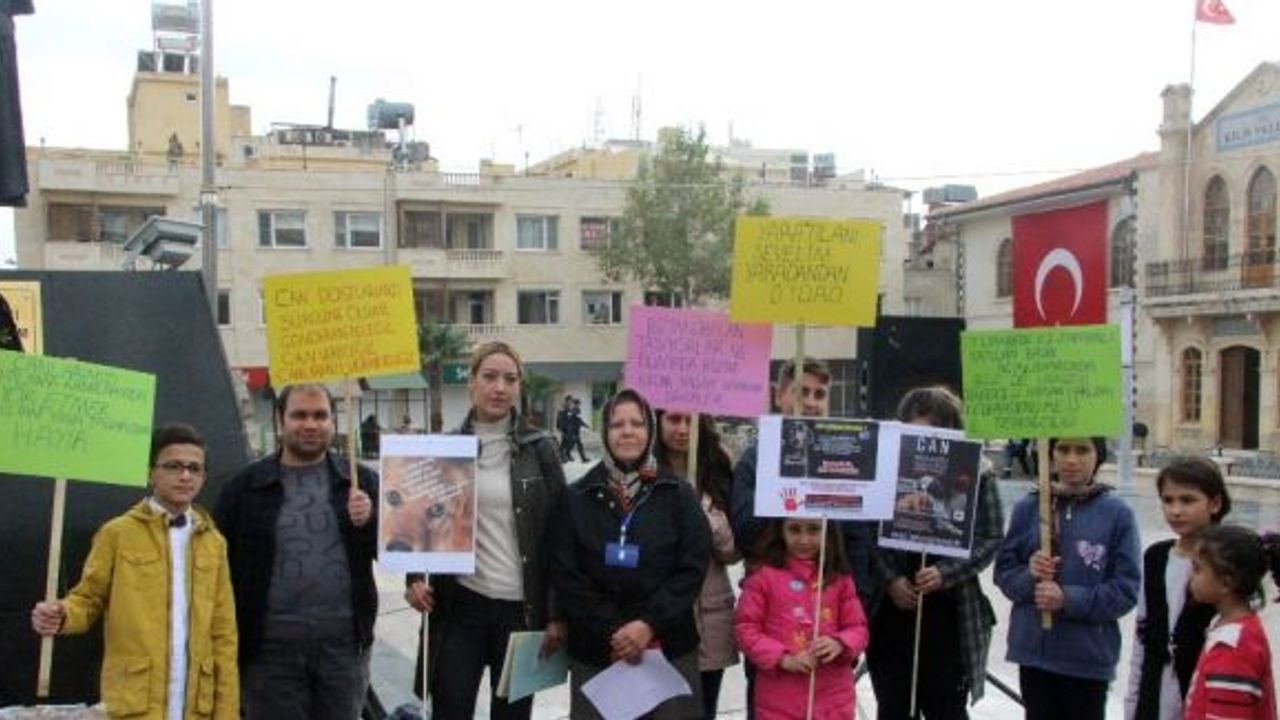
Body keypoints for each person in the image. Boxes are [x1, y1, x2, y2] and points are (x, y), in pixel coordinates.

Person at [403, 341, 567, 719]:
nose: (500, 387)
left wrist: (557, 613)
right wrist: (413, 579)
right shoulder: (444, 450)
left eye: (510, 379)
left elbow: (561, 537)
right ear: (472, 382)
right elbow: (419, 524)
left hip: (523, 613)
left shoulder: (540, 449)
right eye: (490, 377)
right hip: (460, 606)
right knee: (451, 709)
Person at [31, 424, 237, 720]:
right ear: (151, 472)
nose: (185, 476)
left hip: (196, 707)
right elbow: (88, 599)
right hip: (134, 704)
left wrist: (227, 712)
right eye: (173, 466)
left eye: (195, 468)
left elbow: (223, 634)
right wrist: (60, 614)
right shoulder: (117, 533)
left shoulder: (214, 543)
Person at [214, 384, 378, 720]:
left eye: (320, 415)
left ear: (333, 421)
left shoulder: (361, 483)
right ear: (280, 419)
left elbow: (399, 549)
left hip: (343, 651)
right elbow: (214, 567)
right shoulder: (243, 489)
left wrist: (372, 519)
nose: (310, 424)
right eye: (299, 415)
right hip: (268, 654)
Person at [549, 388, 711, 719]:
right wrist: (614, 630)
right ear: (605, 432)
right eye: (617, 424)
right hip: (598, 655)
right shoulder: (577, 496)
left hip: (666, 652)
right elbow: (566, 572)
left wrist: (648, 624)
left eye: (637, 423)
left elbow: (692, 567)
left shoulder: (678, 494)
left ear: (650, 431)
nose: (627, 431)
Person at [867, 387, 1004, 719]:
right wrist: (890, 580)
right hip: (893, 611)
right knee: (895, 705)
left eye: (934, 432)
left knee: (947, 708)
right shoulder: (883, 469)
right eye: (915, 432)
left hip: (950, 611)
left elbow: (990, 536)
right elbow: (866, 531)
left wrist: (946, 573)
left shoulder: (979, 473)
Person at [994, 437, 1142, 720]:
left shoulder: (1117, 515)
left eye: (1082, 450)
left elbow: (1125, 589)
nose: (1072, 460)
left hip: (1087, 657)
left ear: (1098, 455)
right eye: (1063, 450)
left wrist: (1068, 599)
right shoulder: (1029, 507)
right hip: (1035, 654)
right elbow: (1004, 572)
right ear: (1049, 454)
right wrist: (1030, 575)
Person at [1125, 457, 1232, 720]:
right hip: (1154, 692)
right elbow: (1144, 632)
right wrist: (1133, 700)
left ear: (1215, 503)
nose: (1175, 510)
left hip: (1203, 692)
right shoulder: (1156, 557)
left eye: (1187, 500)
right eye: (1168, 500)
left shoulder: (1228, 560)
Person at [733, 517, 869, 720]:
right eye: (794, 530)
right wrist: (782, 658)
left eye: (813, 530)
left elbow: (858, 628)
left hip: (833, 698)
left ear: (827, 532)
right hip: (779, 698)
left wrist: (839, 643)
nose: (804, 539)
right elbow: (745, 628)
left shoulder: (839, 578)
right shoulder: (762, 576)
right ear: (781, 531)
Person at [655, 409, 741, 720]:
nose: (682, 429)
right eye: (673, 420)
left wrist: (704, 512)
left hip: (710, 614)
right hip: (660, 618)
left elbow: (732, 552)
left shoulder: (719, 469)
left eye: (689, 420)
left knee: (703, 709)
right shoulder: (644, 471)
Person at [1182, 525, 1279, 720]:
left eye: (1197, 569)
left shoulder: (1231, 649)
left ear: (1227, 583)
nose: (1190, 577)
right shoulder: (1232, 628)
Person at [562, 398, 590, 463]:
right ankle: (567, 455)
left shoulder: (574, 410)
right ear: (576, 404)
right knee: (574, 445)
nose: (580, 405)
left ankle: (582, 458)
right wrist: (585, 425)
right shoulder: (575, 410)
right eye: (579, 403)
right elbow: (577, 420)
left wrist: (585, 425)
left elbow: (578, 420)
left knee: (576, 445)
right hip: (573, 431)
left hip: (574, 431)